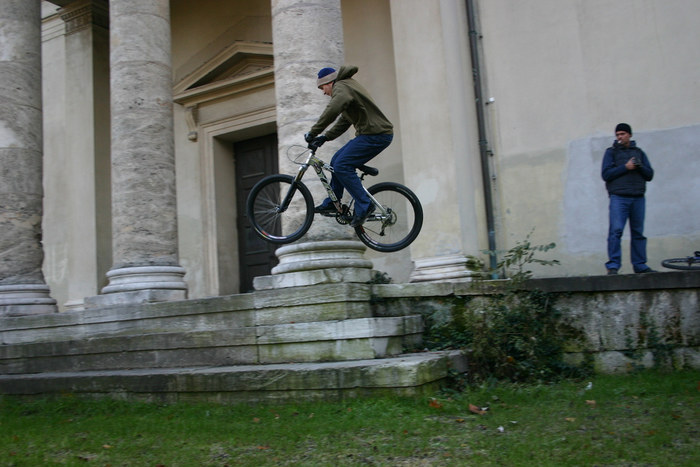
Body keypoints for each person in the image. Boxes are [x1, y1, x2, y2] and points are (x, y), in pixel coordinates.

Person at [304, 66, 394, 227]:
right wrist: (325, 137)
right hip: (371, 134)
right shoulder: (346, 87)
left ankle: (365, 205)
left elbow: (332, 110)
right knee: (336, 160)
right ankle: (334, 201)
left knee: (342, 165)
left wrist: (313, 132)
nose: (324, 92)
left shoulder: (341, 87)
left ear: (329, 82)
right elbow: (344, 121)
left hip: (376, 135)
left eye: (322, 87)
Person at [601, 123, 655, 274]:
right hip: (619, 197)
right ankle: (613, 265)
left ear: (629, 135)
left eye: (623, 134)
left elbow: (649, 175)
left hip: (638, 197)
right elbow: (606, 174)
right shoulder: (611, 153)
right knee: (616, 231)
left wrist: (639, 166)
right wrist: (626, 167)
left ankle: (640, 265)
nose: (620, 137)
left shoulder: (639, 153)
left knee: (638, 232)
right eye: (617, 134)